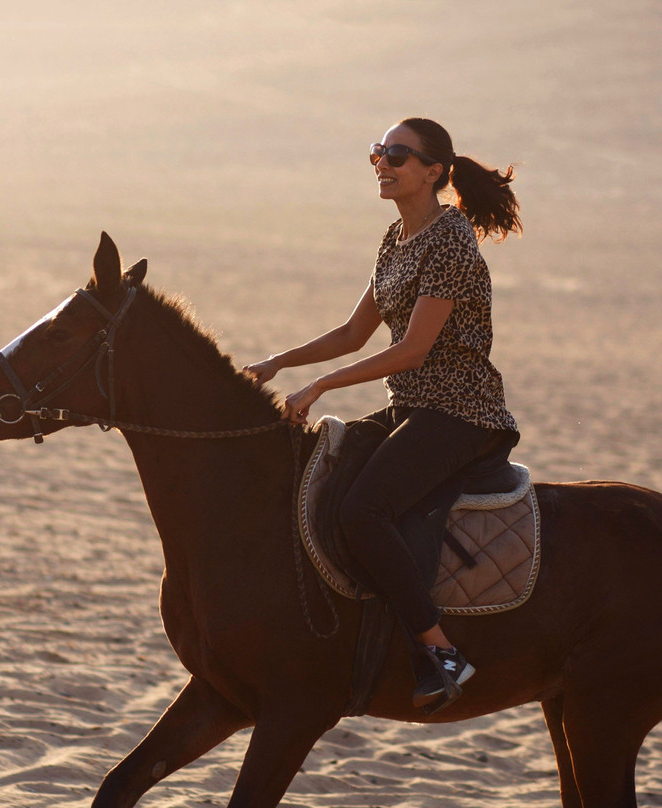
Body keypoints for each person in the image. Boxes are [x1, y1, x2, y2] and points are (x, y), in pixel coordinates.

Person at [244, 117, 522, 709]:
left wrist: (321, 385)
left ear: (433, 171)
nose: (382, 163)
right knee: (315, 469)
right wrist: (278, 362)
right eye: (378, 152)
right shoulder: (395, 238)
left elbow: (413, 349)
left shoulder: (451, 240)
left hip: (460, 412)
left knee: (363, 510)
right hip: (410, 406)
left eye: (397, 154)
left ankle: (442, 654)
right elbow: (353, 333)